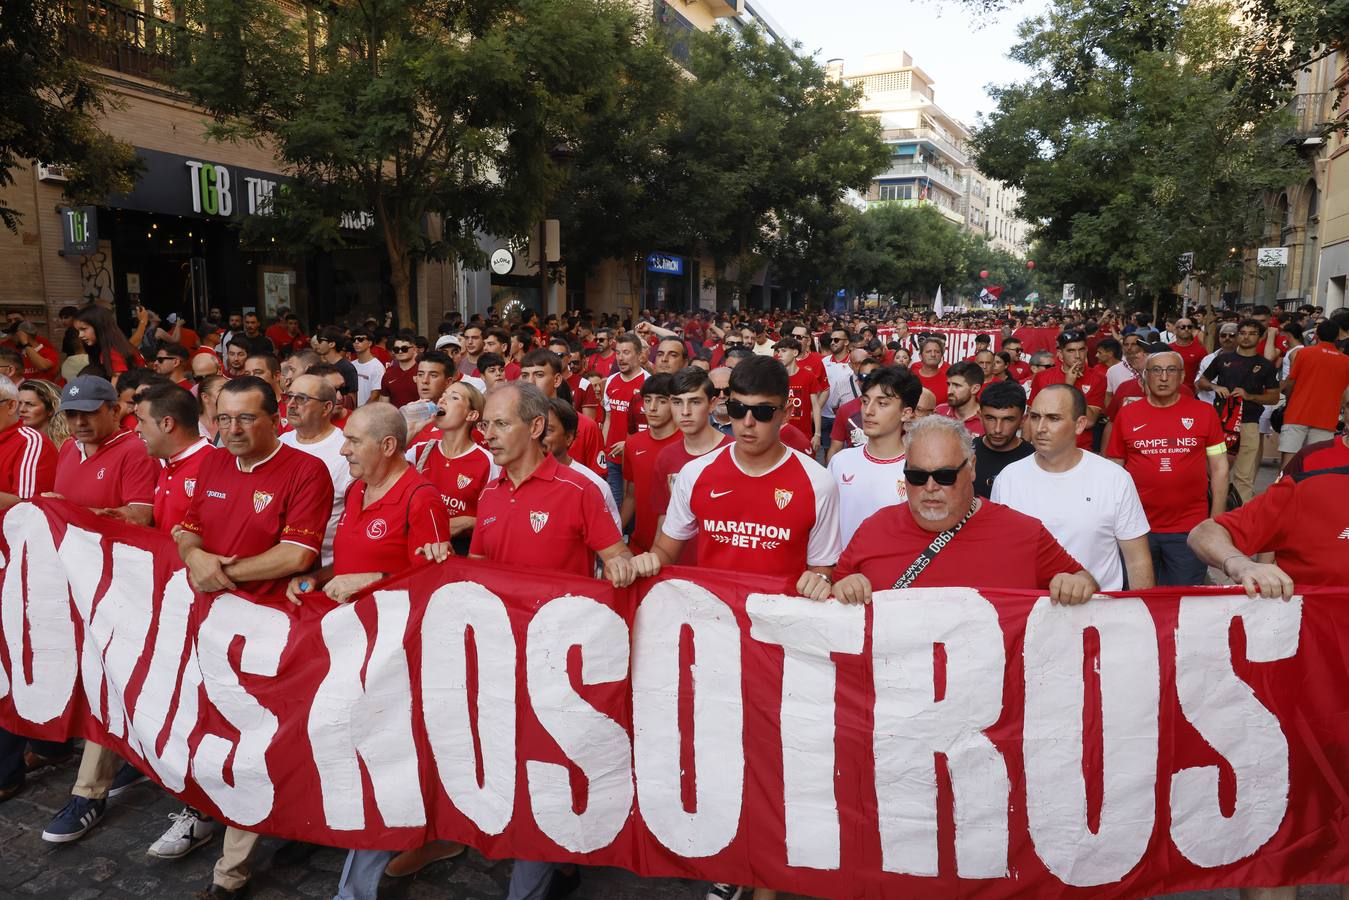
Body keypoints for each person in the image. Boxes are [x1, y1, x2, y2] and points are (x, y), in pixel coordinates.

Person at [413, 381, 639, 900]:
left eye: (498, 423)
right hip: (501, 661)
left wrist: (631, 565)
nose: (485, 433)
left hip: (558, 668)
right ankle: (557, 863)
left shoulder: (581, 490)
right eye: (484, 424)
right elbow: (489, 571)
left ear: (536, 428)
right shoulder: (490, 492)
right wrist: (447, 566)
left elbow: (615, 559)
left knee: (546, 775)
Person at [175, 376, 334, 899]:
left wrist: (220, 574)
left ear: (275, 419)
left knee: (253, 744)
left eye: (246, 418)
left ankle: (230, 874)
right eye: (223, 418)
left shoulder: (305, 471)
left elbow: (297, 556)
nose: (233, 429)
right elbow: (186, 526)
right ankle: (207, 810)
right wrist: (196, 557)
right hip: (208, 623)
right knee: (208, 725)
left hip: (269, 633)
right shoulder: (214, 461)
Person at [35, 375, 160, 842]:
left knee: (106, 680)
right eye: (72, 413)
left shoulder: (133, 450)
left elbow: (140, 517)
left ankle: (89, 792)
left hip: (124, 588)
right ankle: (133, 755)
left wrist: (67, 510)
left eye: (90, 411)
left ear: (114, 409)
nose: (80, 421)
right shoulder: (69, 451)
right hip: (79, 586)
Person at [830, 414, 1098, 605]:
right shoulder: (874, 529)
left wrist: (1075, 585)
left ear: (971, 468)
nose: (931, 487)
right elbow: (837, 587)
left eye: (945, 476)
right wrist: (842, 587)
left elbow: (1083, 582)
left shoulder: (1025, 533)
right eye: (917, 476)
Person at [632, 355, 842, 595]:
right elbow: (667, 550)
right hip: (715, 618)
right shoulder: (695, 473)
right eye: (738, 409)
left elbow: (822, 566)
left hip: (780, 622)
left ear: (786, 413)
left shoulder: (819, 483)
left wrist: (821, 579)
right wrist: (645, 562)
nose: (747, 422)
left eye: (762, 412)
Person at [127, 384, 221, 859]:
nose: (134, 429)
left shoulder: (210, 467)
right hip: (170, 608)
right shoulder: (167, 467)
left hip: (204, 613)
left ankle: (204, 812)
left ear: (167, 424)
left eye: (140, 420)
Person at [992, 385, 1154, 592]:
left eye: (1053, 418)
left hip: (1098, 614)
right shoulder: (1008, 478)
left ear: (1080, 425)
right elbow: (1001, 552)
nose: (1040, 428)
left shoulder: (1114, 478)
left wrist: (1143, 614)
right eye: (1034, 417)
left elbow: (1137, 560)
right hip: (1030, 611)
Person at [1105, 351, 1229, 586]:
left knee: (1184, 602)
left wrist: (1216, 520)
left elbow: (1220, 468)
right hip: (1136, 527)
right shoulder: (1127, 415)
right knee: (1138, 601)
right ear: (1145, 377)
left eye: (1171, 370)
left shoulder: (1204, 413)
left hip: (1189, 528)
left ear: (1182, 376)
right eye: (1156, 370)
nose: (1163, 377)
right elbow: (1115, 469)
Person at [827, 366, 920, 545]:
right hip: (841, 570)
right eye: (865, 401)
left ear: (906, 413)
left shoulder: (919, 470)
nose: (868, 411)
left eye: (882, 403)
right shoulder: (840, 462)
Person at [649, 367, 733, 562]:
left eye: (695, 402)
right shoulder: (666, 457)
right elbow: (664, 519)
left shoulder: (734, 453)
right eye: (678, 402)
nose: (685, 412)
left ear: (711, 404)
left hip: (721, 571)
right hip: (679, 568)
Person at [1196, 319, 1281, 501]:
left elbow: (1274, 396)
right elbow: (1200, 382)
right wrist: (1214, 387)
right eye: (1242, 333)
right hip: (1220, 424)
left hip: (1248, 424)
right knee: (1212, 471)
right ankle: (1209, 508)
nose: (1246, 337)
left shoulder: (1265, 365)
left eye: (1252, 333)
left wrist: (1250, 396)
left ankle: (1240, 518)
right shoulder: (1223, 359)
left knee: (1244, 476)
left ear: (1260, 337)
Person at [411, 380, 496, 556]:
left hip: (461, 553)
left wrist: (468, 522)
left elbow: (497, 519)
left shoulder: (487, 461)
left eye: (454, 397)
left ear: (472, 415)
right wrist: (410, 429)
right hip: (417, 546)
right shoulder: (420, 450)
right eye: (443, 395)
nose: (442, 400)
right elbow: (380, 474)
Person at [280, 373, 352, 567]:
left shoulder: (347, 451)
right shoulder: (279, 445)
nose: (291, 405)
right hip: (277, 559)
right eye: (289, 396)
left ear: (326, 408)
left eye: (301, 398)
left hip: (325, 566)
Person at [518, 349, 607, 479]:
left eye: (539, 375)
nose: (530, 382)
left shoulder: (586, 426)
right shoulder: (516, 423)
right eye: (525, 375)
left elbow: (598, 480)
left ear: (557, 380)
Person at [620, 373, 679, 552]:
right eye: (647, 400)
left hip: (676, 550)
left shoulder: (688, 444)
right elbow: (631, 495)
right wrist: (615, 534)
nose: (652, 408)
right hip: (640, 544)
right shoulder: (633, 443)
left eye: (661, 401)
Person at [1279, 319, 1349, 468]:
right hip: (1326, 417)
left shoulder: (1304, 353)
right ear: (1337, 337)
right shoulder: (1346, 361)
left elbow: (1290, 382)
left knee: (1289, 462)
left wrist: (1289, 400)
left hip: (1297, 413)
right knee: (1316, 463)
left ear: (1316, 334)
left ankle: (1282, 490)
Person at [544, 397, 622, 529]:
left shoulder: (594, 486)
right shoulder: (516, 479)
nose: (538, 435)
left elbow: (612, 546)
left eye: (548, 430)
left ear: (569, 437)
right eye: (535, 427)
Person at [1028, 332, 1106, 450]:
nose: (1078, 356)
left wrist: (1071, 386)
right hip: (1046, 446)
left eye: (1081, 349)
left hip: (1079, 449)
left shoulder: (1098, 378)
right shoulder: (1042, 377)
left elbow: (1089, 421)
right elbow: (1031, 416)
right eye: (1071, 351)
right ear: (1060, 354)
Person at [601, 333, 648, 503]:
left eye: (626, 352)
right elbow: (608, 417)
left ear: (639, 354)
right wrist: (605, 448)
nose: (620, 358)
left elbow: (653, 426)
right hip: (613, 456)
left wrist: (629, 444)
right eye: (618, 352)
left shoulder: (647, 383)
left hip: (638, 457)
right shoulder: (611, 380)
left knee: (636, 501)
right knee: (614, 501)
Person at [972, 380, 1035, 499]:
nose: (997, 429)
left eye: (1008, 419)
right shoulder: (964, 454)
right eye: (990, 418)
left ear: (1023, 420)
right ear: (980, 417)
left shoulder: (1034, 459)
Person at [772, 337, 823, 451]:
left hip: (804, 435)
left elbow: (816, 406)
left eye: (784, 351)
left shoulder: (808, 376)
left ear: (795, 352)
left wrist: (817, 434)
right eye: (778, 351)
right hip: (779, 435)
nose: (779, 354)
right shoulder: (774, 378)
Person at [72, 305, 145, 379]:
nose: (80, 335)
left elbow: (116, 387)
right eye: (78, 331)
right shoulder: (111, 348)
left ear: (99, 326)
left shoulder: (113, 352)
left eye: (84, 329)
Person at [934, 360, 985, 436]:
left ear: (975, 389)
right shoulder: (939, 412)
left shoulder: (986, 419)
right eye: (948, 384)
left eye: (957, 385)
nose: (949, 391)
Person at [17, 378, 69, 448]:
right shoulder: (12, 441)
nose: (21, 409)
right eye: (19, 403)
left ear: (51, 410)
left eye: (30, 404)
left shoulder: (68, 444)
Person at [315, 326, 360, 397]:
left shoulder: (347, 368)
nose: (316, 343)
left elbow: (351, 399)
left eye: (320, 340)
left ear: (332, 344)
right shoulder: (321, 365)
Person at [381, 331, 421, 408]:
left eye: (404, 348)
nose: (400, 351)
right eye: (396, 349)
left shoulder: (423, 372)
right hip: (396, 419)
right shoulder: (388, 375)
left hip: (421, 418)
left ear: (414, 349)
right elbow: (385, 406)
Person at [348, 329, 385, 406]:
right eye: (353, 340)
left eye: (360, 339)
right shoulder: (351, 365)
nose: (356, 342)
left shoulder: (377, 366)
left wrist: (361, 412)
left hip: (368, 413)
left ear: (370, 343)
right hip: (351, 412)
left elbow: (375, 394)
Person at [1169, 315, 1207, 386]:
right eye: (1183, 327)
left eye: (1189, 327)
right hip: (1170, 390)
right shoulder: (1168, 349)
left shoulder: (1201, 350)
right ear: (1176, 330)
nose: (1186, 329)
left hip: (1191, 392)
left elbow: (1205, 373)